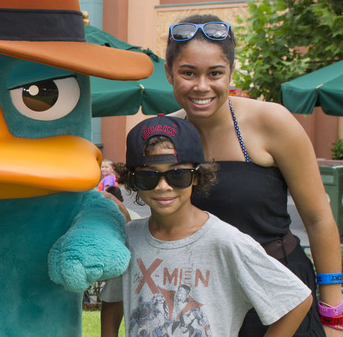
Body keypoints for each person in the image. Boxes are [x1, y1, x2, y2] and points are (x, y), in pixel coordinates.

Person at [165, 14, 343, 335]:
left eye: (215, 73)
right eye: (188, 73)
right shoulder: (165, 134)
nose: (202, 86)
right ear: (170, 74)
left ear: (231, 72)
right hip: (201, 302)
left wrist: (333, 313)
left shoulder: (272, 122)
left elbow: (319, 219)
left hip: (280, 299)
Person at [100, 115, 313, 336]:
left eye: (178, 174)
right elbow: (113, 299)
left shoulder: (225, 241)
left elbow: (296, 300)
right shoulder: (129, 238)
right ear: (133, 180)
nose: (163, 186)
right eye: (148, 176)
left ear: (196, 177)